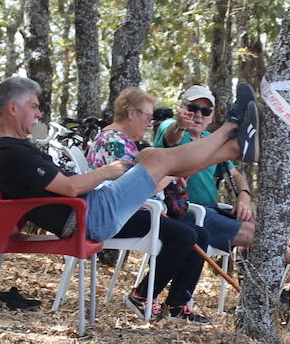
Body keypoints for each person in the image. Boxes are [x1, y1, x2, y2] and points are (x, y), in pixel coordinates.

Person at [0, 75, 257, 250]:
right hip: (87, 216)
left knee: (155, 158)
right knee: (155, 158)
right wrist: (108, 171)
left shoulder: (16, 149)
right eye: (34, 106)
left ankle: (234, 146)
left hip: (92, 207)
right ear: (13, 108)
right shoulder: (11, 152)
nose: (39, 113)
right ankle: (232, 130)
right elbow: (69, 187)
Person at [87, 88, 211, 322]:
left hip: (138, 211)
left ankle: (177, 304)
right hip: (119, 214)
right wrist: (171, 174)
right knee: (184, 235)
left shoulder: (126, 142)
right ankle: (142, 295)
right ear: (132, 113)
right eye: (147, 117)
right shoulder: (113, 141)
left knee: (200, 234)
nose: (149, 123)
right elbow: (138, 187)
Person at [153, 85, 254, 252]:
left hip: (212, 209)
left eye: (205, 111)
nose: (198, 115)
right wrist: (180, 125)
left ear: (212, 116)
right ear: (182, 109)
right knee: (255, 233)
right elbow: (171, 136)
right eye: (192, 108)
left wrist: (244, 195)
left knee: (260, 221)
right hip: (185, 211)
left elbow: (236, 174)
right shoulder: (171, 126)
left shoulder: (210, 139)